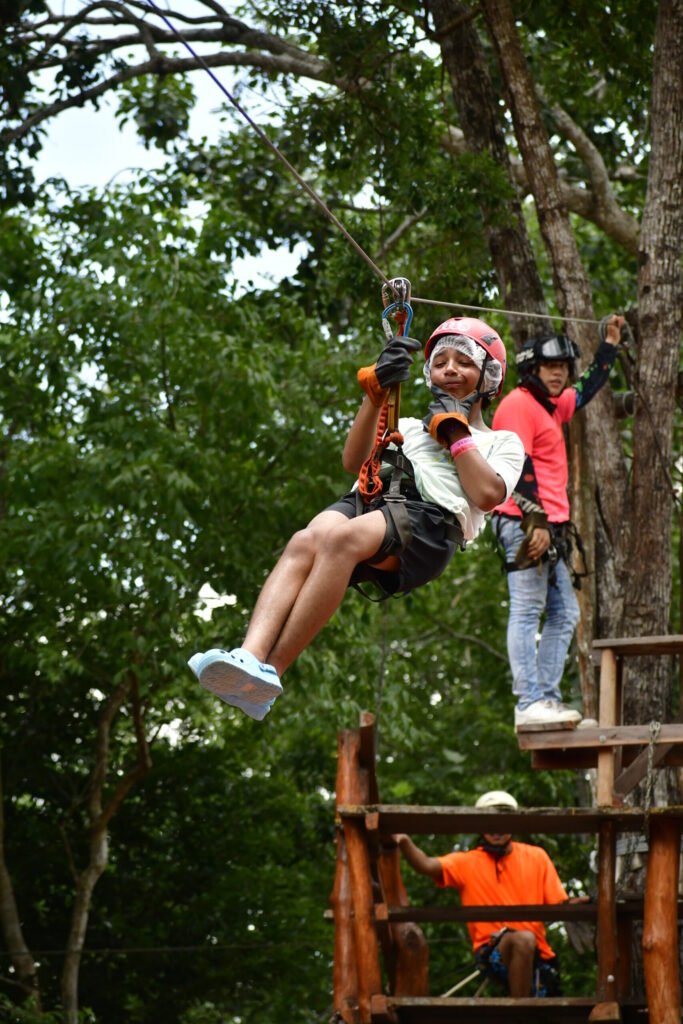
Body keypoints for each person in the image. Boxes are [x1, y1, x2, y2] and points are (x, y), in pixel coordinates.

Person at [189, 316, 524, 719]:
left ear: (488, 377)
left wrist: (455, 434)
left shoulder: (501, 441)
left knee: (338, 540)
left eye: (464, 363)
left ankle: (272, 672)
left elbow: (487, 494)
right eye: (441, 362)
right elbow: (353, 460)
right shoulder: (406, 427)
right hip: (376, 497)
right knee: (306, 539)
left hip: (431, 522)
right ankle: (250, 657)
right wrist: (376, 393)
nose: (450, 369)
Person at [491, 315, 625, 731]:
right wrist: (536, 523)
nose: (560, 374)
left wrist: (610, 346)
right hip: (525, 521)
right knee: (528, 609)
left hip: (551, 527)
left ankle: (546, 700)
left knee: (565, 613)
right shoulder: (517, 404)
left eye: (563, 368)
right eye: (551, 367)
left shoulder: (553, 406)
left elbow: (586, 389)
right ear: (531, 369)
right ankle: (528, 701)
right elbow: (516, 467)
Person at [393, 789, 583, 997]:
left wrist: (585, 904)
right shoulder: (467, 862)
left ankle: (524, 1009)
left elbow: (559, 903)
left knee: (530, 948)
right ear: (480, 827)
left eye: (502, 823)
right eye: (489, 823)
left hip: (538, 957)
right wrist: (404, 840)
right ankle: (521, 1012)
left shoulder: (536, 857)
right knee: (523, 940)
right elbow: (427, 865)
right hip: (494, 952)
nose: (496, 830)